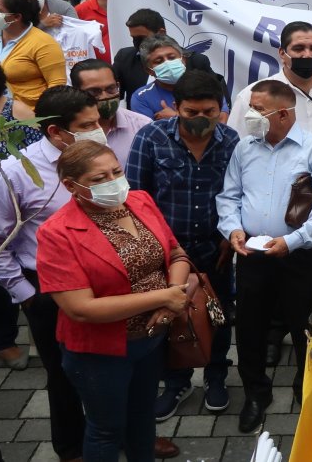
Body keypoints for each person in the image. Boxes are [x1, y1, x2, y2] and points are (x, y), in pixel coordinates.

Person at [37, 140, 191, 462]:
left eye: (117, 172)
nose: (113, 182)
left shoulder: (140, 201)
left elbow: (176, 253)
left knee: (142, 418)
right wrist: (164, 296)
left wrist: (172, 299)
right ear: (71, 186)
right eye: (99, 178)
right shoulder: (57, 233)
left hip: (150, 341)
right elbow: (81, 309)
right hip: (100, 353)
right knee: (106, 430)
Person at [215, 80, 312, 433]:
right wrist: (233, 229)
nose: (250, 115)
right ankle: (256, 393)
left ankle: (308, 390)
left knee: (306, 328)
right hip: (253, 253)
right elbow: (229, 195)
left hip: (301, 256)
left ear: (283, 114)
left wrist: (293, 241)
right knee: (251, 327)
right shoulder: (244, 148)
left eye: (258, 109)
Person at [0, 86, 102, 461]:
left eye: (97, 122)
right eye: (87, 126)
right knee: (64, 372)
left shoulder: (96, 159)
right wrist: (26, 294)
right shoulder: (15, 174)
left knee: (115, 363)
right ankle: (72, 448)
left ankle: (119, 432)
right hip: (49, 290)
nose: (98, 131)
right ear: (55, 131)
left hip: (107, 280)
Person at [127, 70, 240, 419]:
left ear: (220, 108)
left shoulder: (232, 140)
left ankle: (216, 375)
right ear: (176, 107)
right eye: (192, 112)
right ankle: (176, 382)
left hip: (215, 248)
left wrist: (230, 235)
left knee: (218, 314)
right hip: (167, 250)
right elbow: (136, 197)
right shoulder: (151, 137)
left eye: (210, 112)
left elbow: (240, 193)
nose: (201, 119)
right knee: (170, 317)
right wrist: (158, 246)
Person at [229, 21, 312, 154]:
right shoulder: (251, 97)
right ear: (282, 53)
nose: (307, 55)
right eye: (298, 49)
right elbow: (235, 151)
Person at [112, 9, 218, 106]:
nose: (136, 42)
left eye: (141, 38)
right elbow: (113, 94)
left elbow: (218, 101)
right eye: (133, 38)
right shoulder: (125, 58)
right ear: (149, 70)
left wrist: (175, 116)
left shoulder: (196, 61)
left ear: (161, 33)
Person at [0, 0, 66, 113]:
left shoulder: (44, 43)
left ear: (17, 17)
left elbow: (57, 86)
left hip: (27, 115)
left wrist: (41, 117)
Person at [69, 59, 151, 163]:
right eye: (94, 92)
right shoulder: (66, 131)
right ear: (76, 92)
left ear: (118, 86)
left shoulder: (142, 126)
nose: (105, 96)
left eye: (111, 89)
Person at [130, 35, 222, 122]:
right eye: (159, 61)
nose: (167, 64)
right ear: (149, 70)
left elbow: (221, 122)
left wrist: (175, 117)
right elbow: (149, 132)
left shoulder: (207, 86)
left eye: (172, 57)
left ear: (183, 60)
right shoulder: (142, 98)